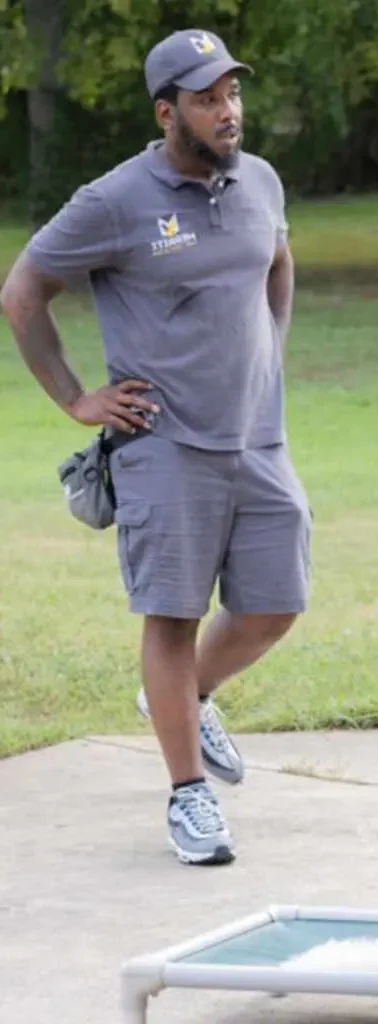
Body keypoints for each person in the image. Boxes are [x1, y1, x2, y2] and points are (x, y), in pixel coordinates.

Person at [0, 29, 311, 867]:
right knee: (171, 614)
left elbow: (278, 263)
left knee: (276, 603)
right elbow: (22, 292)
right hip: (164, 446)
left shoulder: (260, 182)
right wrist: (76, 399)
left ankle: (185, 696)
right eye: (209, 99)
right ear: (167, 109)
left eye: (234, 94)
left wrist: (271, 349)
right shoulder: (114, 201)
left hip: (260, 438)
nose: (229, 111)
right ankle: (188, 797)